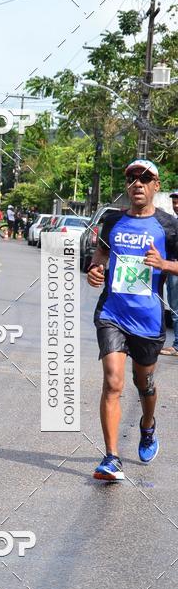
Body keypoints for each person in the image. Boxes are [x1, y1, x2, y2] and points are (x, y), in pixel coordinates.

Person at [87, 159, 178, 481]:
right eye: (132, 178)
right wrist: (95, 270)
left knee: (145, 384)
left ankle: (148, 425)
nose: (138, 183)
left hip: (148, 319)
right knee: (113, 381)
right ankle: (111, 458)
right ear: (126, 184)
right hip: (112, 313)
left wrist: (165, 265)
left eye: (145, 178)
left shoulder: (169, 226)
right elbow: (100, 255)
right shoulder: (113, 221)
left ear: (156, 185)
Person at [160, 188, 178, 357]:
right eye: (174, 202)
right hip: (172, 268)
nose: (176, 205)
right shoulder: (173, 223)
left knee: (176, 308)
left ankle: (177, 346)